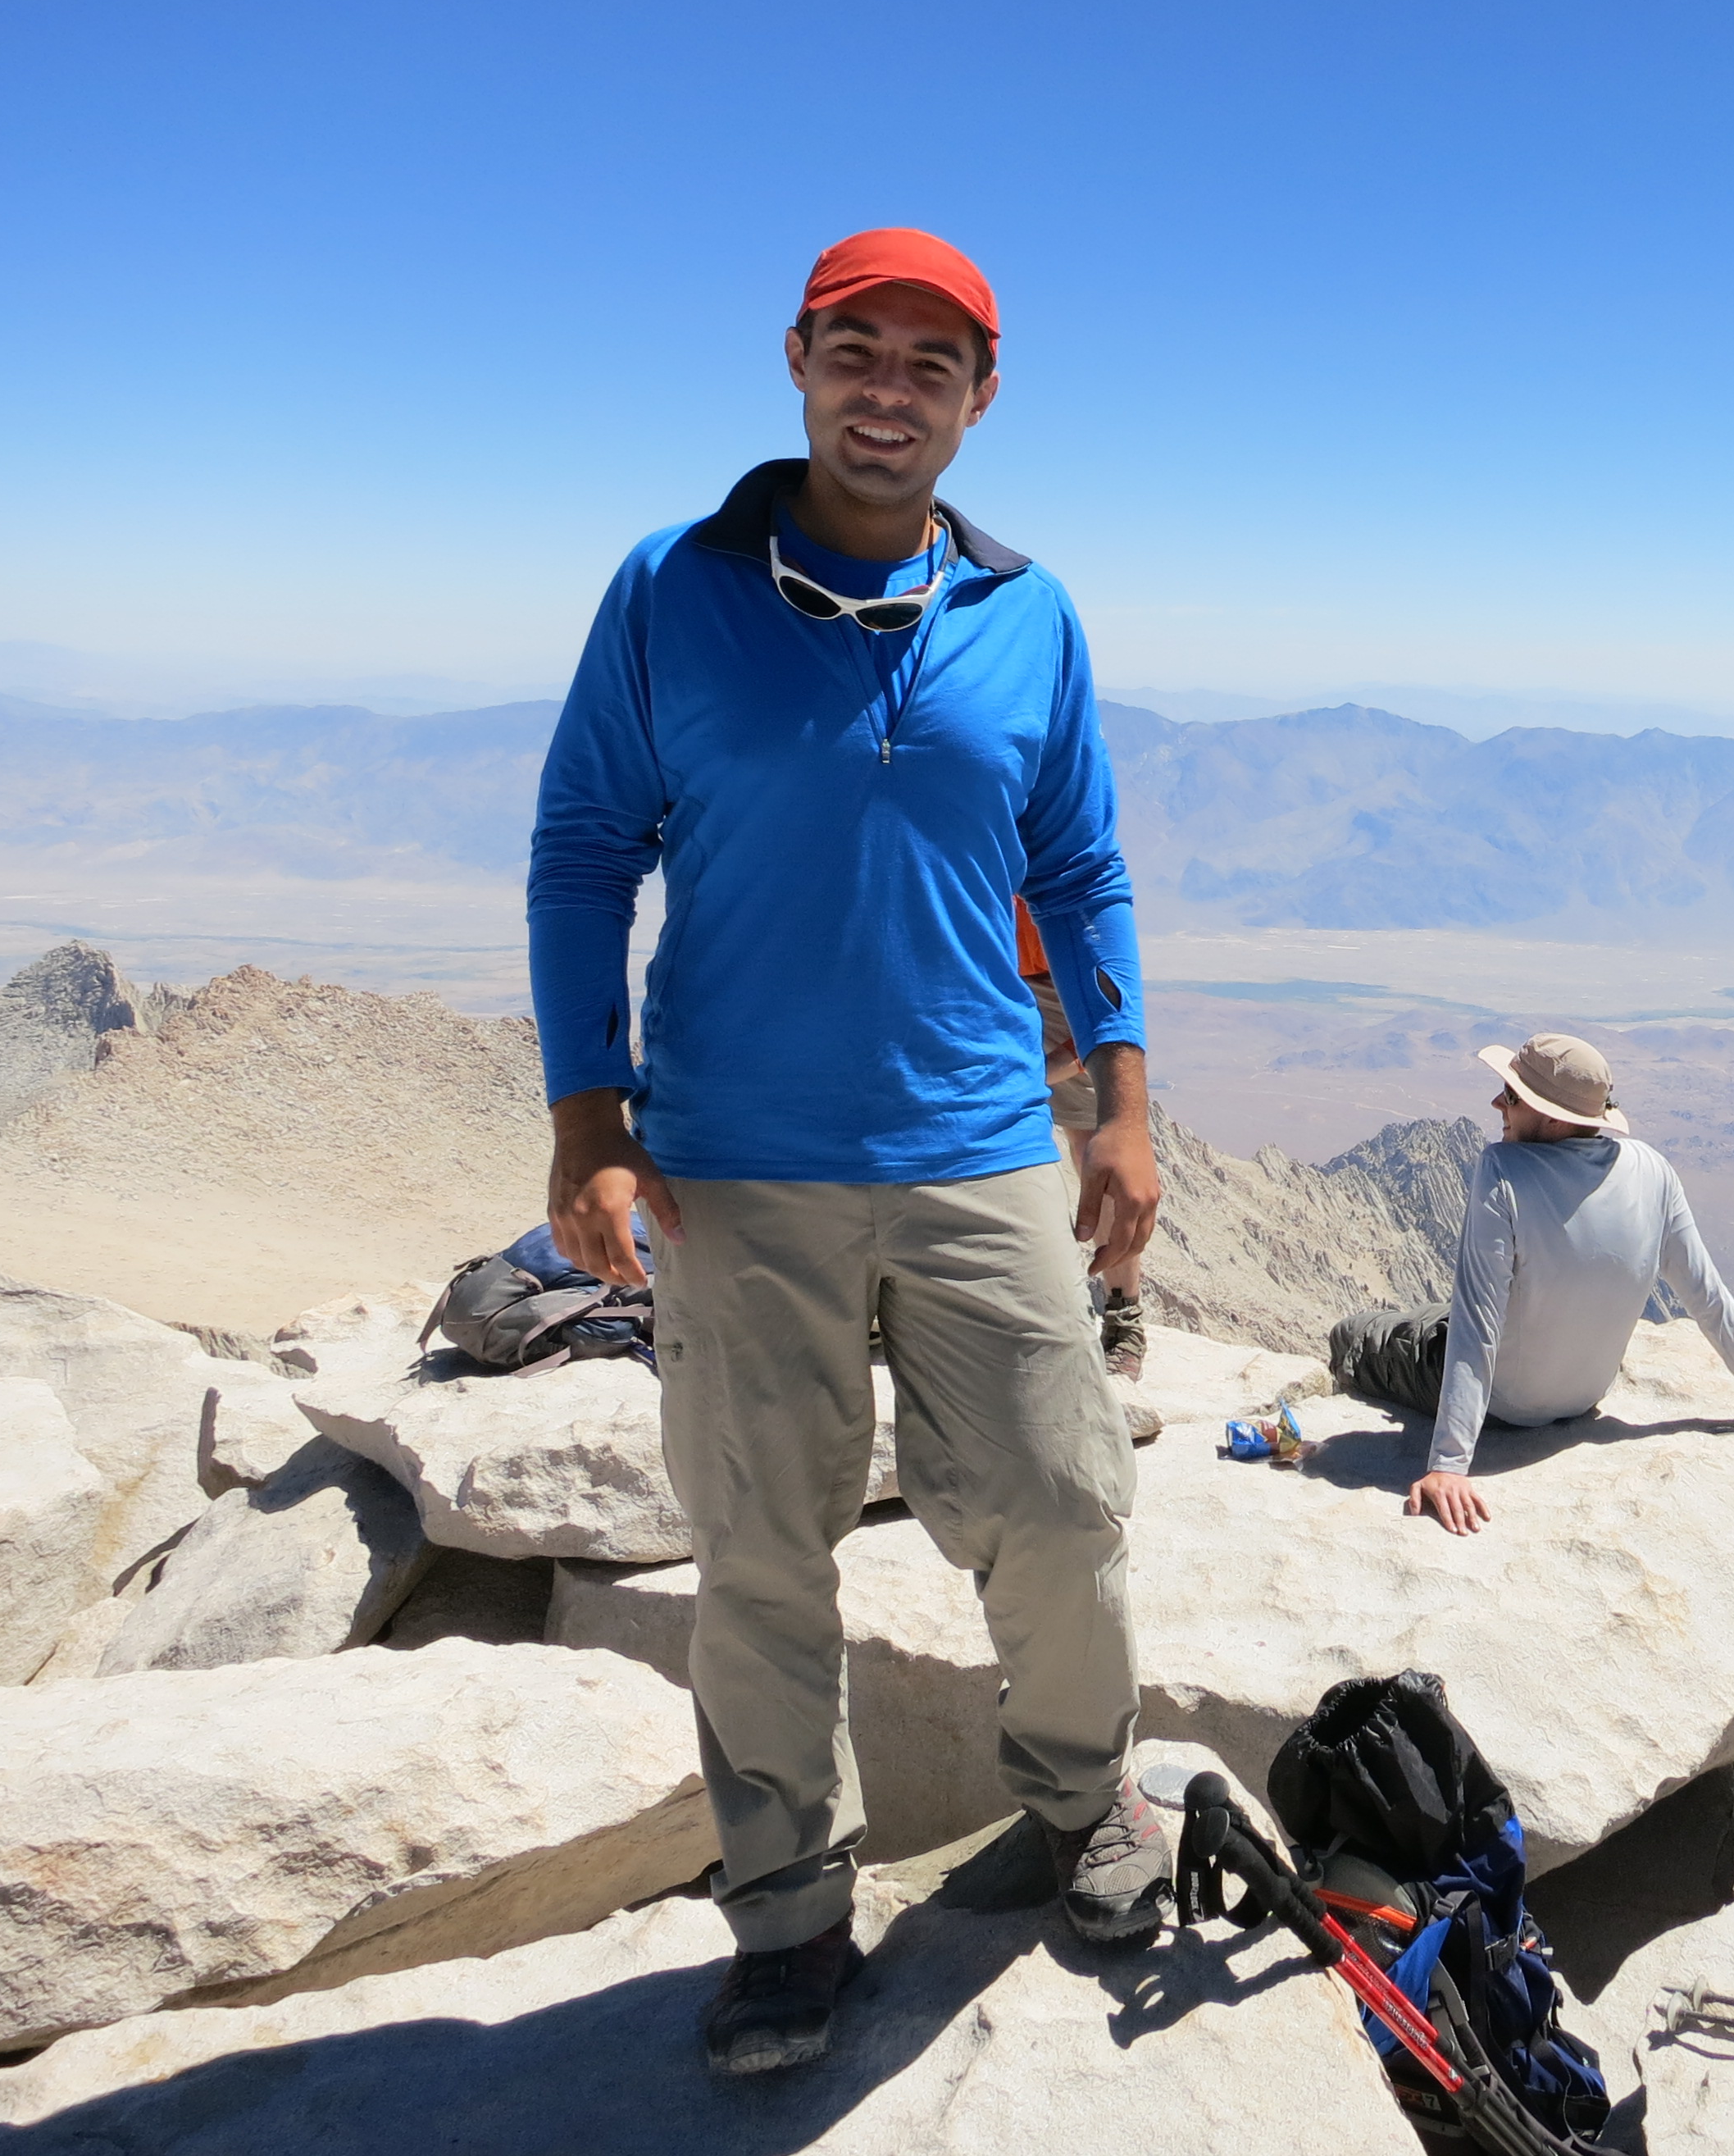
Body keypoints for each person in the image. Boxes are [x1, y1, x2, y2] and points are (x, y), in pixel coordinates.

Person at [528, 227, 1167, 2080]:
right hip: (739, 1155)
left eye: (930, 362)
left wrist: (1120, 1099)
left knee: (1057, 1503)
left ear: (981, 394)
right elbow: (587, 848)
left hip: (976, 1137)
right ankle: (791, 1914)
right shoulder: (673, 585)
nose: (889, 389)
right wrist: (592, 1111)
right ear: (797, 366)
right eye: (855, 352)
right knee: (763, 1548)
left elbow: (1083, 863)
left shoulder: (1028, 610)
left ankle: (1080, 1798)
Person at [1329, 1032, 1734, 1536]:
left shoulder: (1503, 1172)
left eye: (1511, 1096)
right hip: (1587, 1395)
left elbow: (1476, 1326)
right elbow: (1708, 1298)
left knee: (1358, 1333)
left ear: (1550, 1116)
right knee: (1434, 1315)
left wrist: (1449, 1464)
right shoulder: (1653, 1170)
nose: (1498, 1105)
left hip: (1505, 1406)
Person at [1020, 894, 1149, 1385]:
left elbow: (1095, 900)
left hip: (1059, 974)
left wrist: (1078, 1053)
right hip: (983, 969)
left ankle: (1124, 1322)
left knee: (1095, 1152)